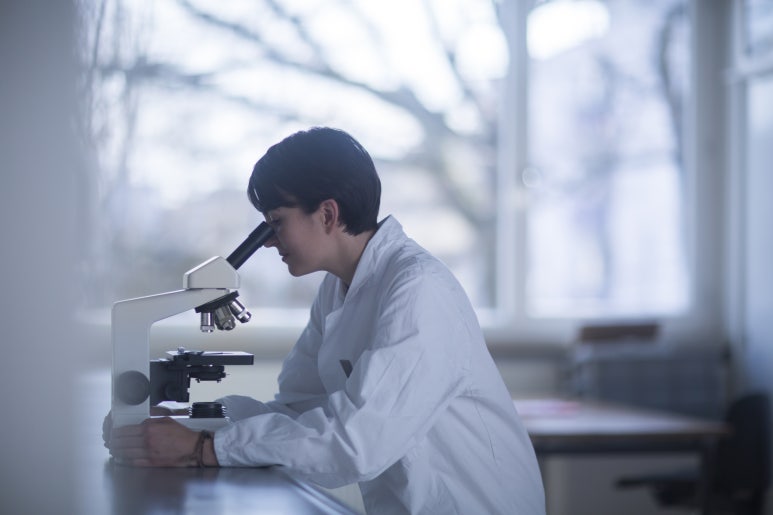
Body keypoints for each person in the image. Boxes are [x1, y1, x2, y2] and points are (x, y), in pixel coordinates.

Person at [108, 127, 546, 514]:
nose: (268, 242)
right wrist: (190, 422)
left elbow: (356, 441)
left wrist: (204, 449)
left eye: (276, 223)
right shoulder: (340, 289)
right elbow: (299, 409)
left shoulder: (418, 289)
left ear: (329, 214)